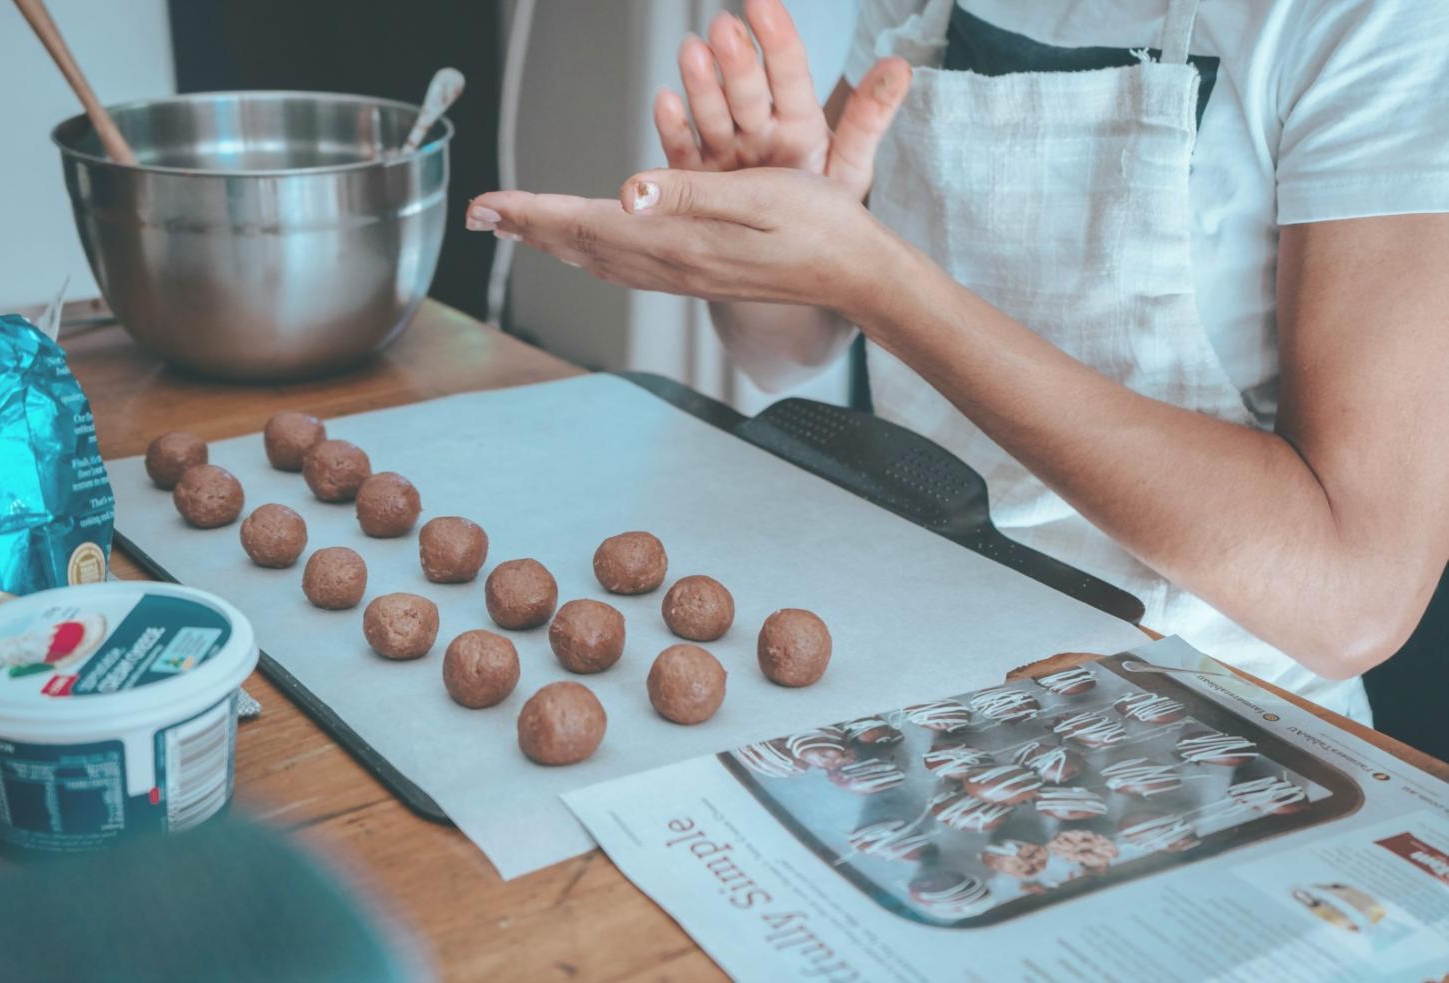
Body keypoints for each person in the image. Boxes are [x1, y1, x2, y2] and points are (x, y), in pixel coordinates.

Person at [467, 0, 1449, 723]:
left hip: (1223, 720)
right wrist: (760, 236)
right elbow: (785, 348)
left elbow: (1351, 590)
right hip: (905, 669)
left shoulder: (1374, 24)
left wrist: (879, 281)